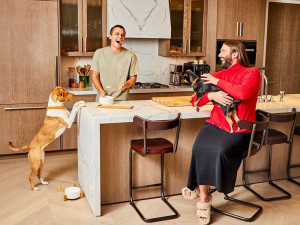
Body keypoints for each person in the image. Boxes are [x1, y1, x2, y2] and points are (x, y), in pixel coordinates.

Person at [182, 40, 261, 224]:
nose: (219, 55)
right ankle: (204, 197)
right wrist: (211, 95)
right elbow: (195, 100)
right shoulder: (218, 75)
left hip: (238, 131)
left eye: (223, 51)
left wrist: (217, 82)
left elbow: (243, 93)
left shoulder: (252, 73)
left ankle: (208, 191)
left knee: (218, 151)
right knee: (199, 148)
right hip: (214, 126)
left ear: (235, 54)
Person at [91, 25, 139, 101]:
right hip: (103, 100)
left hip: (122, 101)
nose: (120, 37)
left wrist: (126, 84)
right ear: (110, 36)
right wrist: (101, 91)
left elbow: (133, 79)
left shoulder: (130, 56)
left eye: (122, 35)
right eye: (117, 34)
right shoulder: (99, 53)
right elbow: (94, 76)